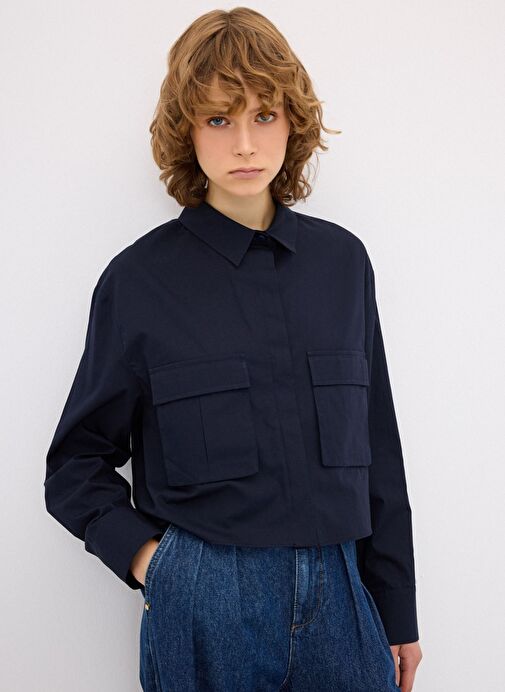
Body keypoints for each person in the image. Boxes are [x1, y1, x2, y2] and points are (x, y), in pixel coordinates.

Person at [44, 7, 423, 691]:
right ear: (186, 130)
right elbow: (75, 463)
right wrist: (154, 564)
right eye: (218, 119)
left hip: (344, 600)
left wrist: (396, 610)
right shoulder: (138, 282)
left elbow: (378, 449)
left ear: (293, 122)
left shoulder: (342, 265)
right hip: (207, 602)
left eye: (263, 115)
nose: (245, 144)